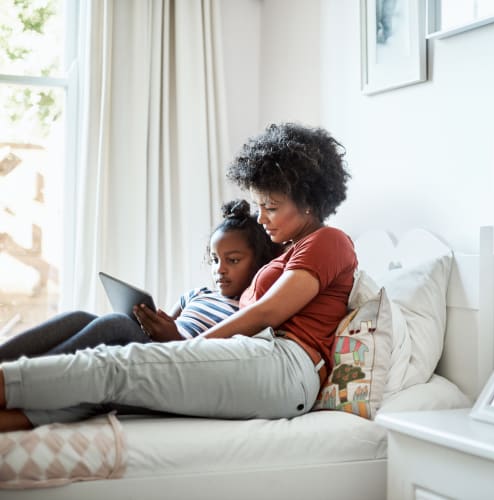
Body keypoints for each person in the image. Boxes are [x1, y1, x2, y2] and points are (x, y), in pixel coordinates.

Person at [0, 123, 357, 432]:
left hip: (286, 367)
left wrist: (189, 347)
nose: (262, 218)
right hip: (260, 358)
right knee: (105, 391)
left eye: (272, 207)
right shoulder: (288, 252)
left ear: (309, 200)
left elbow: (266, 314)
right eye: (260, 205)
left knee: (115, 366)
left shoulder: (329, 241)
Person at [0, 199, 279, 362]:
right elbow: (162, 326)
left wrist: (176, 338)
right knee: (78, 317)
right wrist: (149, 321)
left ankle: (26, 374)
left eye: (232, 261)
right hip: (148, 348)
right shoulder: (198, 295)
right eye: (215, 260)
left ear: (258, 262)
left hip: (175, 361)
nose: (220, 269)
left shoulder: (245, 312)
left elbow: (221, 357)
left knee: (116, 324)